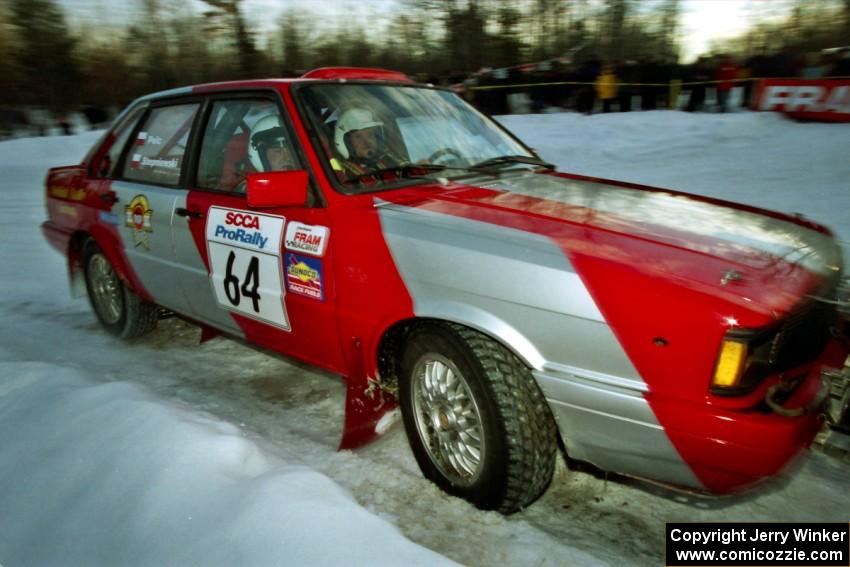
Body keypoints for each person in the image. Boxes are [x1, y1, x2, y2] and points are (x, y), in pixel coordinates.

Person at [221, 112, 295, 191]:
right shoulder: (252, 190)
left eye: (291, 151)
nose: (287, 158)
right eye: (278, 151)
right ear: (260, 155)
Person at [331, 107, 405, 181]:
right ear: (347, 143)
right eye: (358, 137)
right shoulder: (342, 176)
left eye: (370, 134)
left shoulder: (390, 162)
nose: (367, 142)